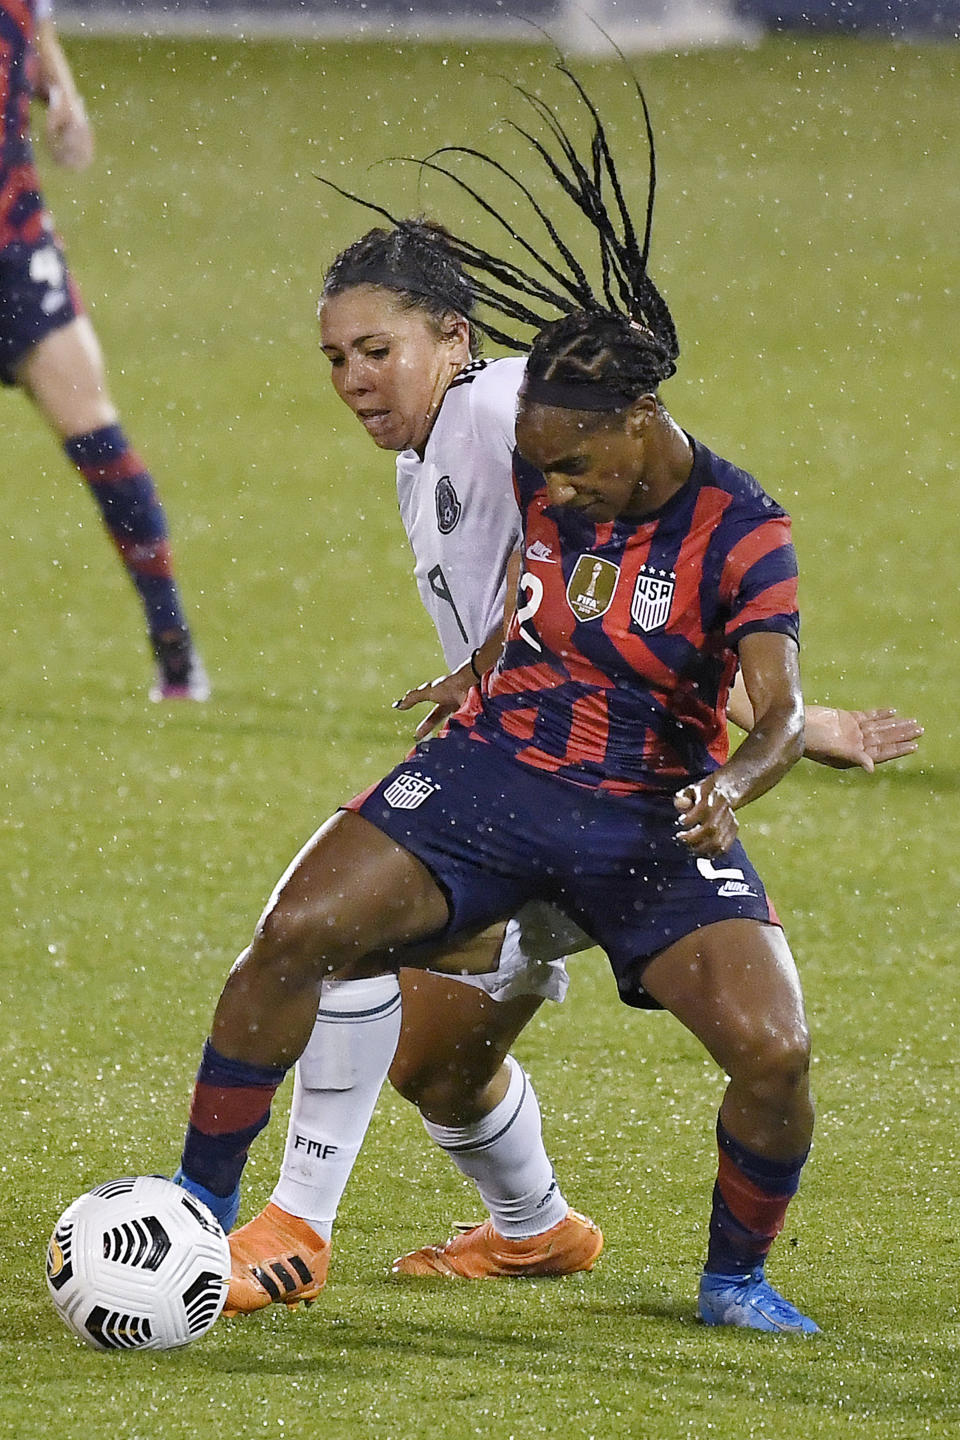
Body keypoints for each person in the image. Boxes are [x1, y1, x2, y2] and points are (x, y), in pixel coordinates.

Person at [174, 59, 915, 1333]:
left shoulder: (505, 409)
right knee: (440, 1070)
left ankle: (285, 1226)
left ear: (459, 344)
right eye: (334, 356)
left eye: (378, 348)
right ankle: (537, 1230)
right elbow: (593, 602)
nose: (355, 378)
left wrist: (782, 730)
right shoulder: (453, 455)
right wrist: (485, 666)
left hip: (624, 803)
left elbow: (665, 530)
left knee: (335, 945)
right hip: (518, 766)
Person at [0, 0, 207, 698]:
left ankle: (173, 648)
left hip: (14, 248)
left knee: (96, 437)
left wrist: (63, 93)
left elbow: (35, 19)